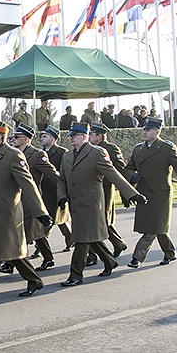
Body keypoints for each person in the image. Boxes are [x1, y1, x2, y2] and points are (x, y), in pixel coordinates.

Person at [0, 119, 51, 308]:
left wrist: (40, 212)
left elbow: (27, 185)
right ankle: (35, 280)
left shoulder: (13, 155)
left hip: (7, 215)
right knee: (12, 254)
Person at [56, 122, 143, 287]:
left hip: (91, 204)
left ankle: (76, 275)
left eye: (74, 135)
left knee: (81, 240)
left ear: (84, 136)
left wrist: (133, 193)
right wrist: (61, 196)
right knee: (91, 239)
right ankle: (110, 261)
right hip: (75, 204)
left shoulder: (97, 153)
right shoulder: (67, 156)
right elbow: (62, 180)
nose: (71, 138)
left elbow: (113, 174)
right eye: (70, 136)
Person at [125, 117, 177, 268]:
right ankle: (170, 252)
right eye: (144, 129)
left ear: (157, 131)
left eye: (148, 130)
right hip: (144, 194)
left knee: (152, 229)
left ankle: (137, 258)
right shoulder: (138, 149)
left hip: (161, 194)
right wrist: (132, 176)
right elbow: (128, 168)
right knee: (159, 226)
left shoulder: (166, 148)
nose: (144, 132)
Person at [4, 124, 59, 274]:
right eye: (13, 137)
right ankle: (47, 258)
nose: (13, 140)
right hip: (16, 199)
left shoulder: (37, 155)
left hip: (30, 200)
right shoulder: (12, 153)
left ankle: (11, 262)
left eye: (17, 137)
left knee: (28, 232)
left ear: (26, 139)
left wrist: (63, 191)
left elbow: (53, 175)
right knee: (34, 232)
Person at [88, 123, 129, 257]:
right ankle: (117, 244)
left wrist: (125, 194)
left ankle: (95, 253)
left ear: (99, 136)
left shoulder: (110, 149)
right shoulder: (89, 149)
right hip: (93, 188)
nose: (89, 137)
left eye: (92, 134)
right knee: (97, 220)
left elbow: (120, 170)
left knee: (101, 220)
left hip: (105, 188)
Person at [39, 126, 72, 254]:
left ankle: (40, 246)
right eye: (41, 136)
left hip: (55, 191)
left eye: (45, 136)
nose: (42, 138)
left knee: (49, 219)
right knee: (59, 219)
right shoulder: (39, 152)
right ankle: (71, 238)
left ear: (52, 139)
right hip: (43, 191)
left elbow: (65, 172)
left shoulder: (62, 152)